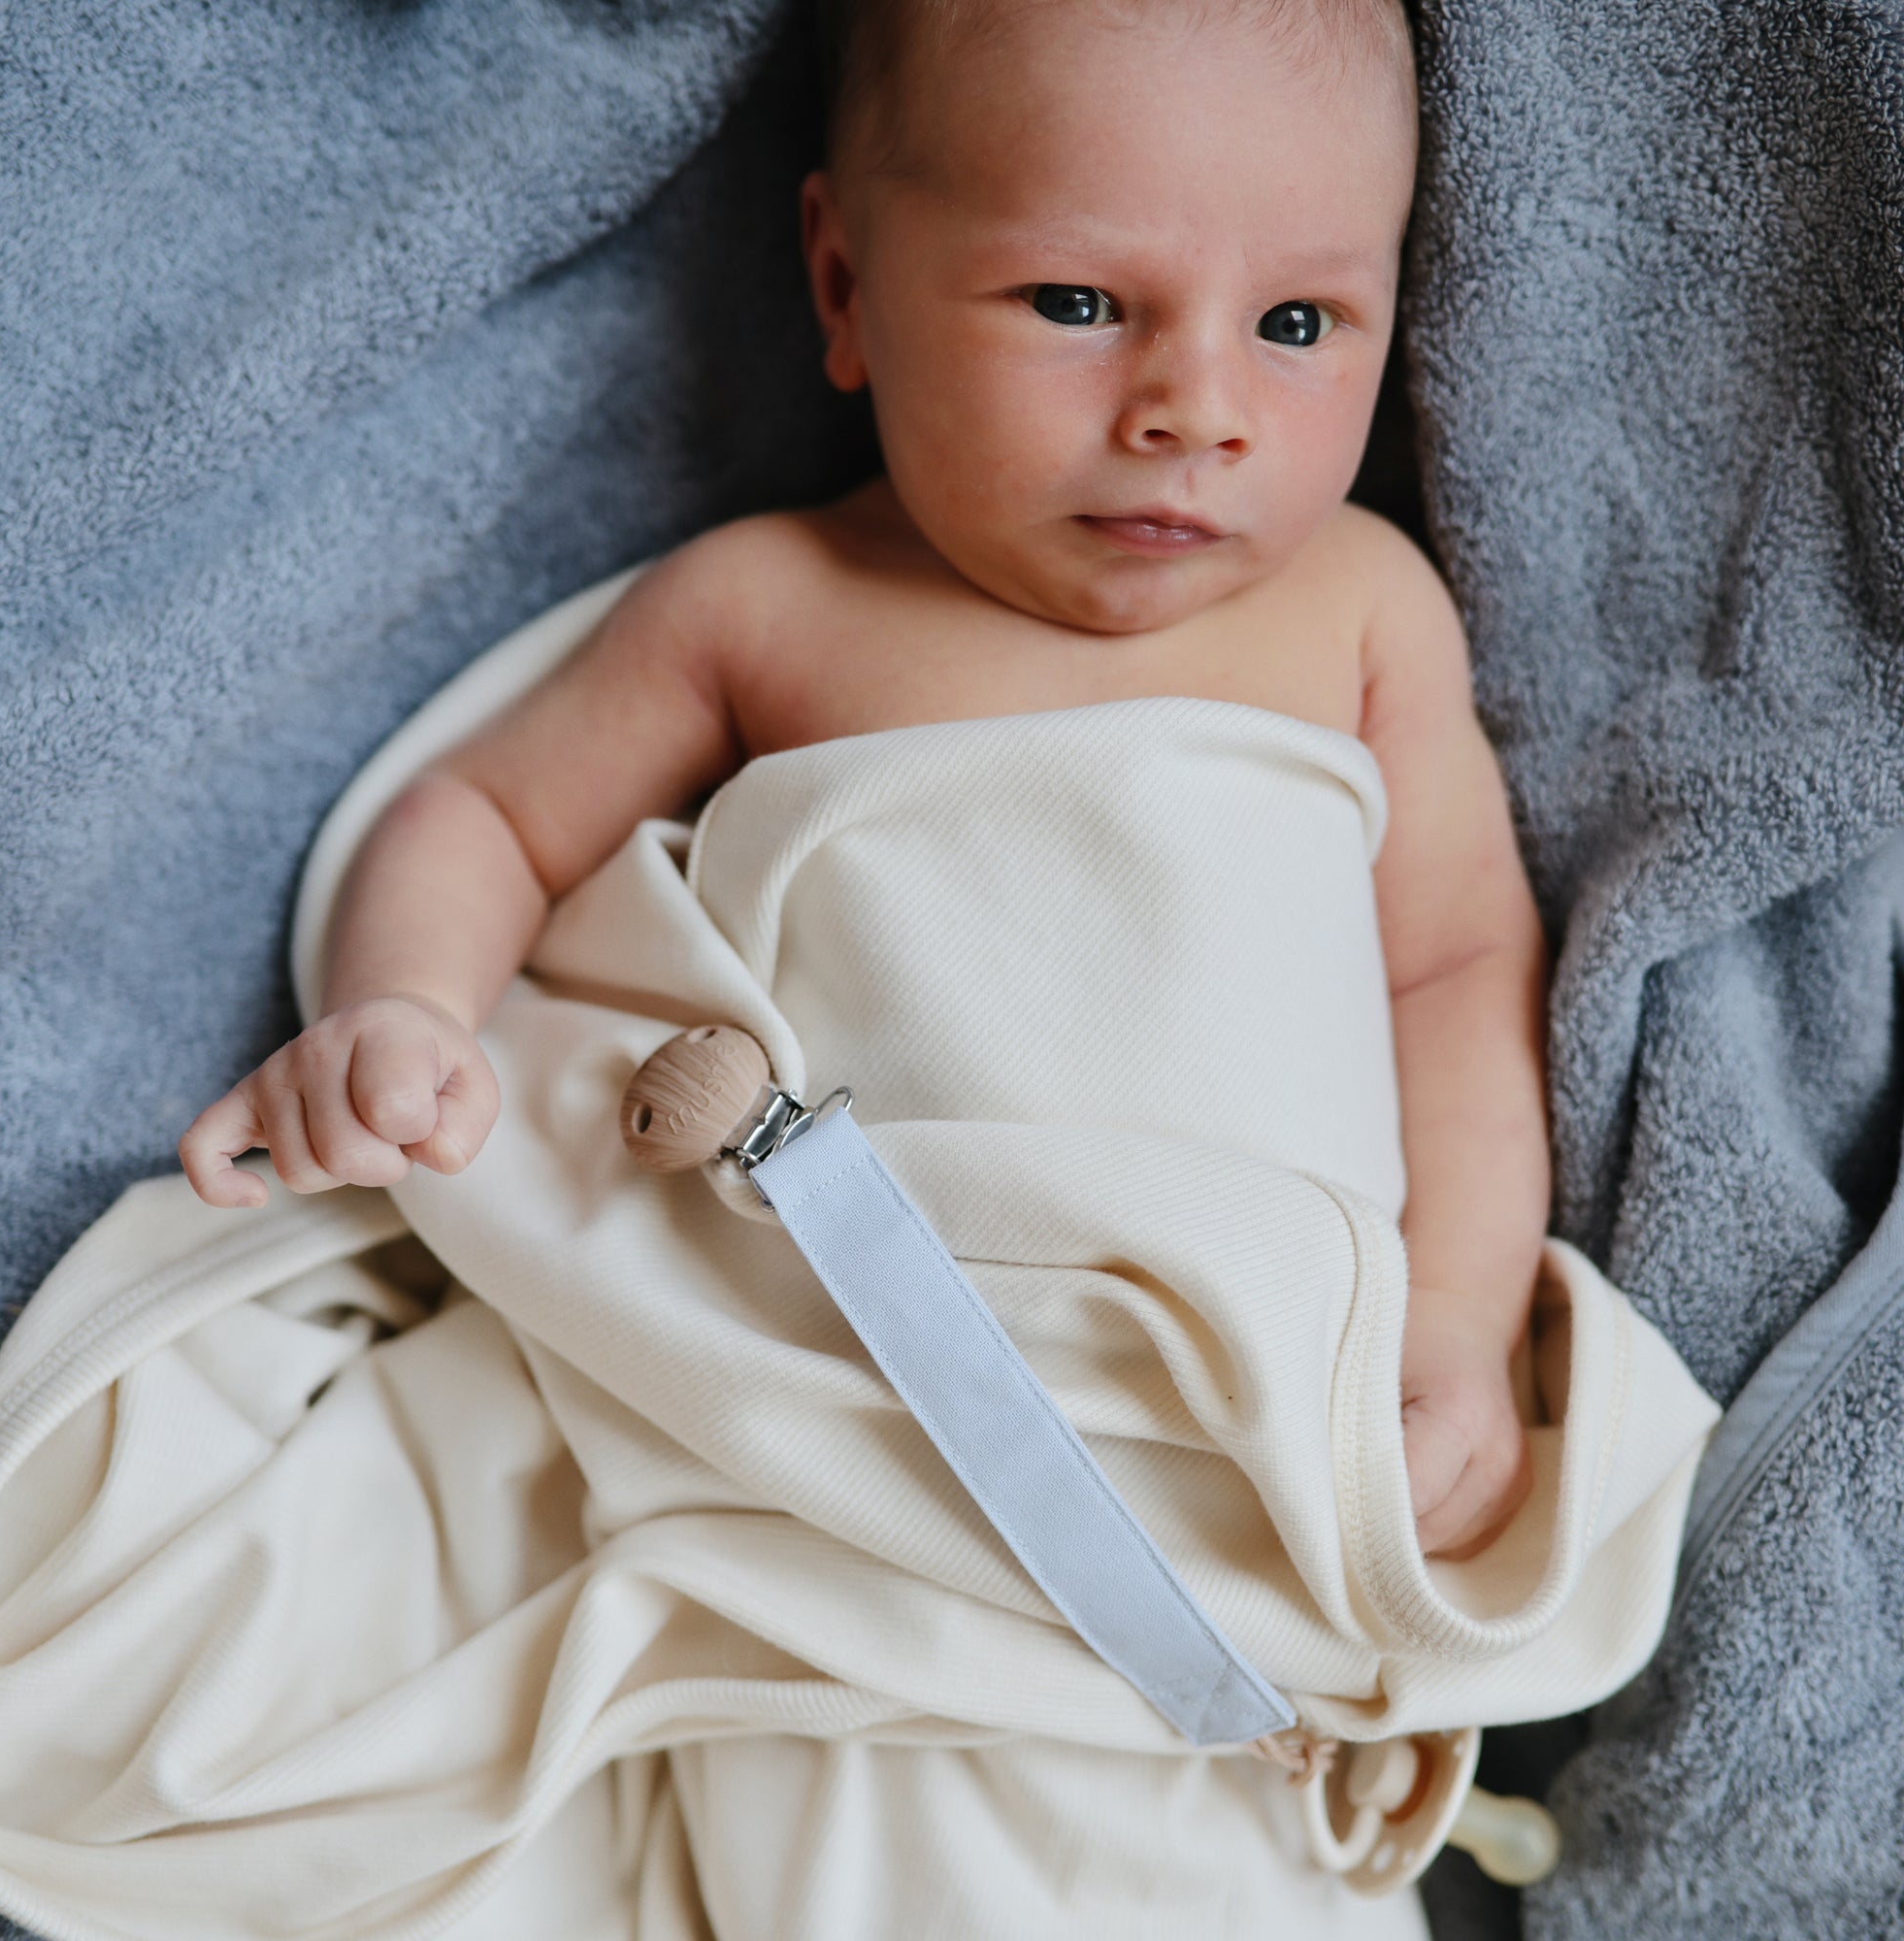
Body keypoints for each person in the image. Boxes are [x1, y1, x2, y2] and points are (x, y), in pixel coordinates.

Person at [181, 0, 1548, 1563]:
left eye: (1297, 324)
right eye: (1080, 300)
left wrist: (1457, 1318)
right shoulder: (771, 606)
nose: (1198, 411)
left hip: (1263, 1433)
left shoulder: (1365, 613)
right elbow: (483, 812)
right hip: (838, 1420)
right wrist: (405, 1009)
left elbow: (1455, 973)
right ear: (847, 286)